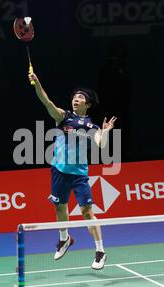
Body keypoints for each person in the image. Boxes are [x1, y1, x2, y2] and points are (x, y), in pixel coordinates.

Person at [28, 71, 117, 270]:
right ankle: (64, 239)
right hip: (59, 170)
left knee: (87, 211)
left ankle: (100, 250)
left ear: (88, 104)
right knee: (60, 207)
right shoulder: (63, 117)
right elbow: (47, 102)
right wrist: (37, 83)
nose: (76, 99)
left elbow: (101, 145)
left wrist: (106, 132)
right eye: (75, 97)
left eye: (81, 98)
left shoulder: (92, 126)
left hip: (78, 175)